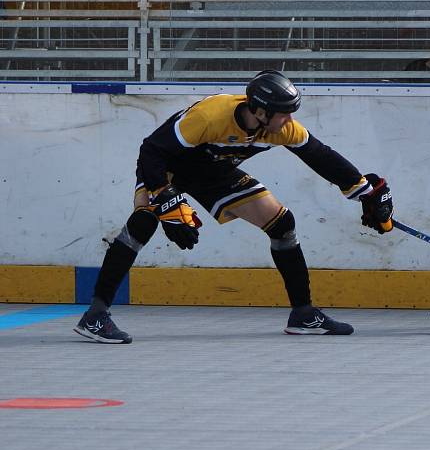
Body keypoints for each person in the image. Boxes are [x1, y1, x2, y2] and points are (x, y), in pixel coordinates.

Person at [74, 70, 394, 343]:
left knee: (282, 224)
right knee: (143, 222)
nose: (289, 120)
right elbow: (151, 152)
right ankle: (96, 315)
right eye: (283, 113)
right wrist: (164, 196)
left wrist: (363, 191)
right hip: (167, 167)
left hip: (214, 172)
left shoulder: (281, 127)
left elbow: (319, 155)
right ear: (258, 110)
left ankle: (304, 314)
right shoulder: (211, 116)